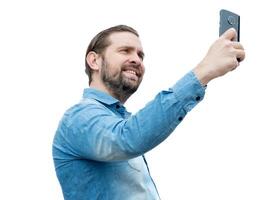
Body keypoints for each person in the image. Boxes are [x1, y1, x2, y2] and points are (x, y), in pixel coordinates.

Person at [52, 25, 245, 200]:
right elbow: (128, 138)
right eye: (124, 51)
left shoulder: (117, 121)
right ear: (94, 61)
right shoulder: (78, 118)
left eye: (140, 55)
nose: (136, 59)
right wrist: (205, 71)